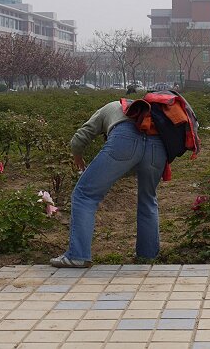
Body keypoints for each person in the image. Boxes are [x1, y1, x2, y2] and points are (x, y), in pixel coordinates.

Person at [50, 92, 199, 267]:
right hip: (157, 145)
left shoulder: (110, 107)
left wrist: (78, 160)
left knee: (84, 194)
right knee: (148, 199)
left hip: (124, 139)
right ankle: (147, 257)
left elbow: (79, 140)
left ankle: (77, 255)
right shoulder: (152, 113)